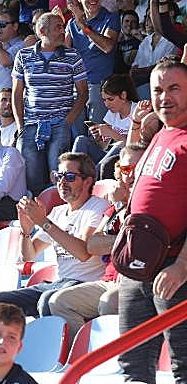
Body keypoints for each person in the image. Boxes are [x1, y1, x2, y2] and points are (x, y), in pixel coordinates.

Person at [117, 56, 187, 383]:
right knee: (132, 366)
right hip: (138, 267)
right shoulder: (160, 134)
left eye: (174, 88)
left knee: (184, 366)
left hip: (174, 270)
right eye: (158, 90)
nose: (164, 97)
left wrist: (182, 266)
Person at [48, 144, 145, 344]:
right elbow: (93, 245)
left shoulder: (150, 201)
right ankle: (85, 352)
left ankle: (112, 355)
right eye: (125, 169)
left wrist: (118, 239)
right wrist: (120, 209)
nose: (130, 175)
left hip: (138, 279)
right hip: (109, 280)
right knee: (58, 302)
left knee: (108, 302)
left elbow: (143, 241)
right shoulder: (115, 208)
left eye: (137, 168)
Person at [0, 152, 109, 317]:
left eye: (69, 177)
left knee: (48, 300)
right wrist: (25, 231)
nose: (62, 182)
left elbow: (84, 253)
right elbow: (29, 255)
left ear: (87, 181)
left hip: (84, 285)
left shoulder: (98, 207)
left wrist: (44, 223)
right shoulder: (58, 212)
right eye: (58, 176)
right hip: (59, 283)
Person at [12, 12, 88, 195]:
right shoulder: (23, 56)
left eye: (63, 27)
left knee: (59, 178)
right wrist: (21, 126)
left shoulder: (73, 56)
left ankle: (58, 210)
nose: (63, 31)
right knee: (32, 180)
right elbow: (16, 93)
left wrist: (67, 122)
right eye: (58, 27)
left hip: (60, 124)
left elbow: (83, 93)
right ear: (42, 31)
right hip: (30, 125)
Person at [65, 0, 120, 128]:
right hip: (76, 88)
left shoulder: (111, 17)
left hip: (99, 87)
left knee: (97, 135)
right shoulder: (72, 23)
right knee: (76, 136)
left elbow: (108, 46)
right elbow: (64, 54)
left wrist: (84, 27)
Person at [72, 74, 137, 165]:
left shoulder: (138, 111)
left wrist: (111, 133)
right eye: (104, 100)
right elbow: (104, 146)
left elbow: (133, 147)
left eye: (110, 99)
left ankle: (96, 171)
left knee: (118, 145)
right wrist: (98, 138)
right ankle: (73, 170)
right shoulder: (112, 112)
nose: (107, 104)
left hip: (125, 159)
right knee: (81, 139)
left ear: (123, 95)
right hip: (107, 156)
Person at [131, 11, 178, 100]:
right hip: (141, 84)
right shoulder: (146, 41)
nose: (147, 20)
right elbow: (134, 67)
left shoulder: (172, 39)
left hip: (161, 83)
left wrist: (141, 71)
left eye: (151, 16)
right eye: (146, 16)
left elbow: (164, 66)